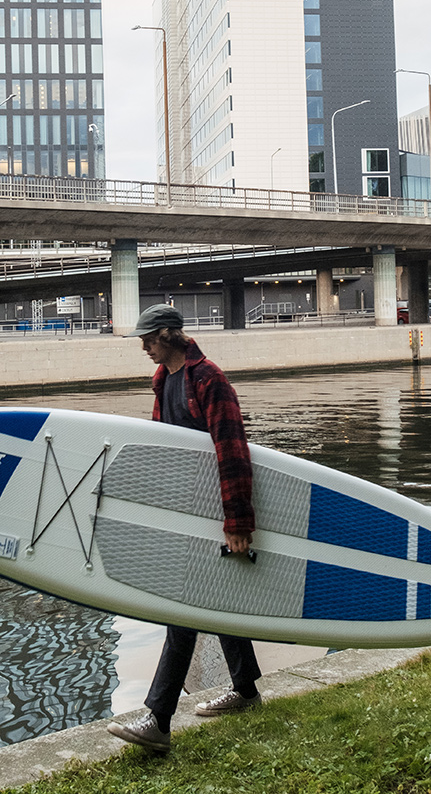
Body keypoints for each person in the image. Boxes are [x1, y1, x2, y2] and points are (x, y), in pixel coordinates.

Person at [106, 303, 262, 753]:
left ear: (170, 335)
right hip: (188, 512)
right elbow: (167, 453)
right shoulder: (164, 381)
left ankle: (157, 719)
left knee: (184, 609)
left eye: (148, 339)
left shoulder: (208, 379)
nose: (143, 347)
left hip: (217, 512)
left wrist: (237, 521)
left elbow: (232, 450)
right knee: (217, 598)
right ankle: (246, 690)